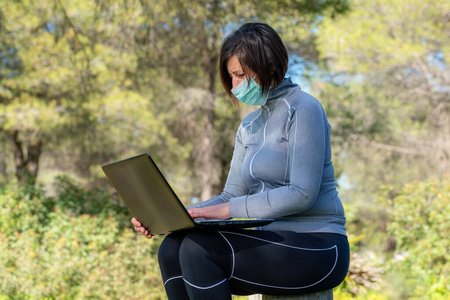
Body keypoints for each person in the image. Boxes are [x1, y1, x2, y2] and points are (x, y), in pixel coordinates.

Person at [132, 22, 349, 299]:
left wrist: (226, 210)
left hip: (319, 246)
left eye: (241, 75)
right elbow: (231, 195)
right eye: (231, 76)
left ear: (270, 66)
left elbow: (302, 194)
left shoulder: (304, 108)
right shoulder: (249, 125)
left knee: (198, 248)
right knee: (172, 247)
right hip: (272, 243)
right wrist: (171, 215)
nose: (235, 86)